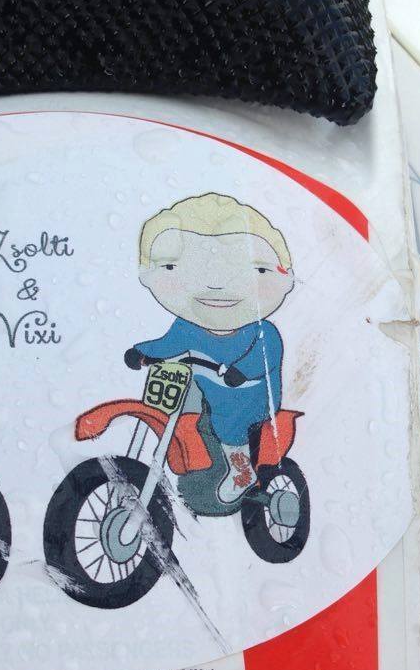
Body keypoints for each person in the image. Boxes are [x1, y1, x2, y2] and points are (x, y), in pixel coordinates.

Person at [126, 193, 295, 504]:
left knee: (228, 422)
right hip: (207, 388)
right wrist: (142, 351)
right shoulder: (188, 326)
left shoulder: (262, 330)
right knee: (182, 410)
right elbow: (168, 344)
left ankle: (241, 471)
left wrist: (241, 372)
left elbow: (266, 356)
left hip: (250, 394)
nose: (215, 285)